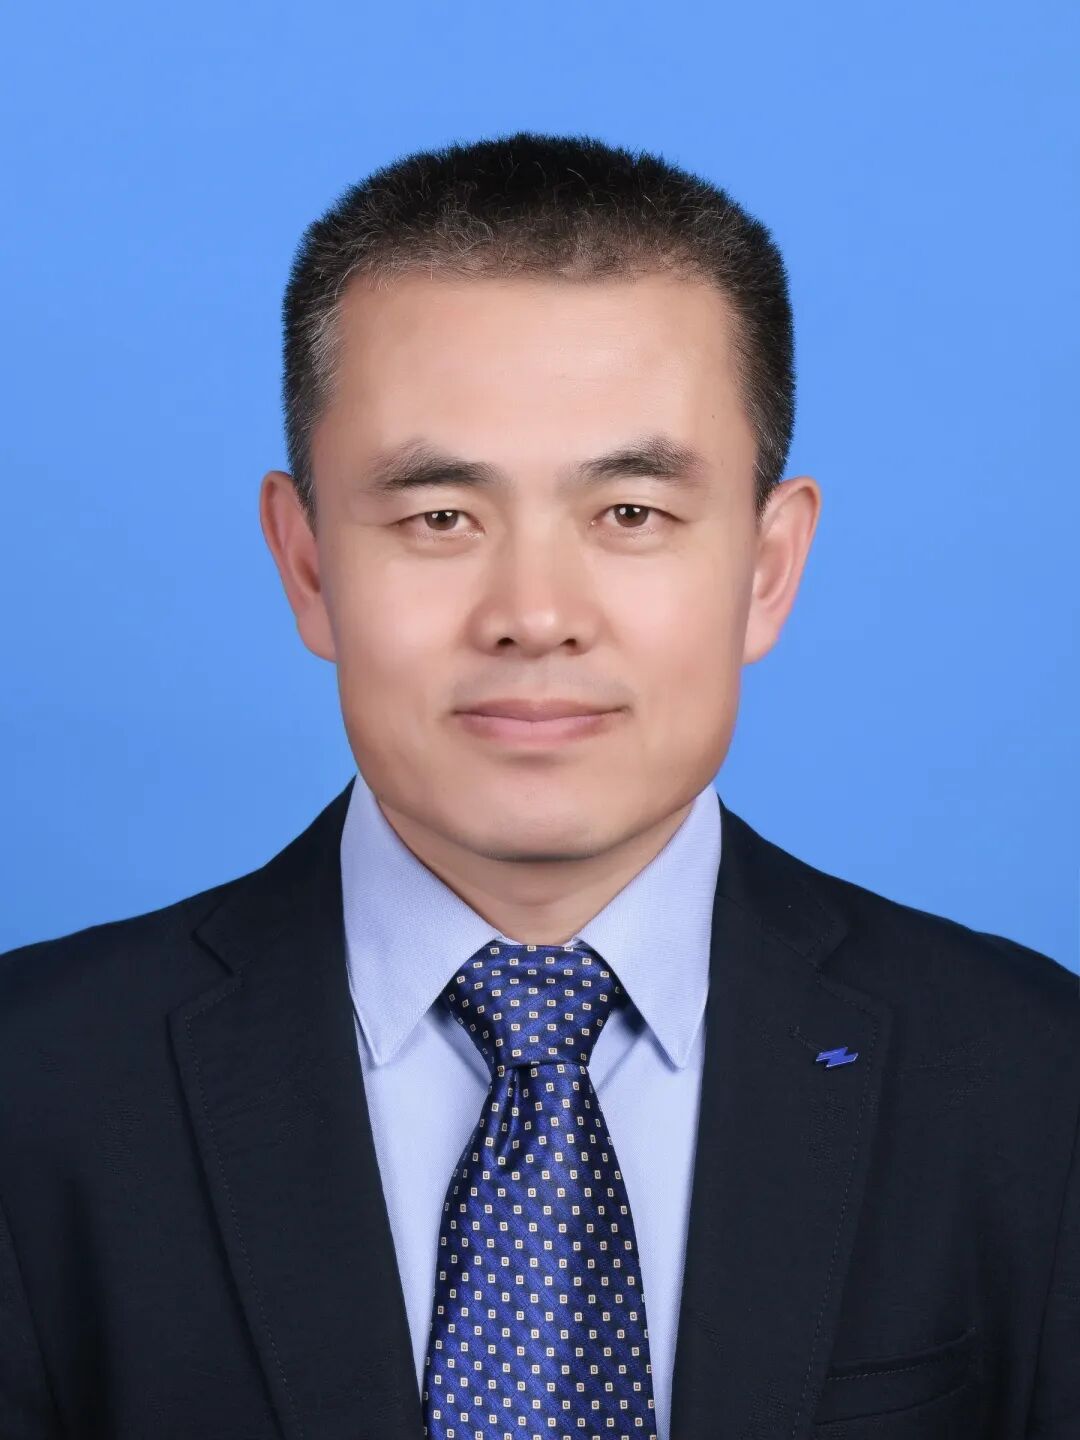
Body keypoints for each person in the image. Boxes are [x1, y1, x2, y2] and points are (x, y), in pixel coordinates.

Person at [0, 131, 1076, 1440]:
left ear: (767, 568)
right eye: (440, 517)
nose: (535, 614)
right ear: (308, 565)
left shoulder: (1034, 1080)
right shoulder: (33, 1089)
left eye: (631, 513)